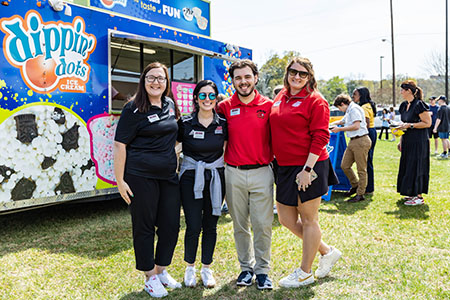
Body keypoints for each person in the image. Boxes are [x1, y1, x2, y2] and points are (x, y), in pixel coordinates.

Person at [270, 57, 341, 288]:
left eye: (303, 74)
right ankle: (327, 251)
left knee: (309, 219)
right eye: (293, 72)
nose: (297, 77)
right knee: (286, 219)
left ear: (310, 76)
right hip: (284, 167)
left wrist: (307, 169)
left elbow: (321, 136)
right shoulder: (281, 96)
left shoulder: (316, 101)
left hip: (309, 166)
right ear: (287, 73)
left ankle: (305, 272)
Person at [113, 62, 182, 298]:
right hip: (140, 177)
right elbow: (120, 144)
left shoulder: (170, 105)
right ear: (143, 81)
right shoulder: (133, 108)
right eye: (151, 78)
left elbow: (175, 135)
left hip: (168, 177)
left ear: (167, 82)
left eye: (161, 78)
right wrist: (120, 180)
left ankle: (162, 270)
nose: (156, 82)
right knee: (144, 226)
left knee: (171, 225)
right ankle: (150, 277)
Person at [217, 59, 274, 290]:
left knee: (262, 224)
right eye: (238, 78)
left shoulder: (269, 106)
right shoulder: (224, 107)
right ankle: (245, 268)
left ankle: (262, 271)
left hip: (262, 172)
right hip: (233, 172)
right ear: (233, 81)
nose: (243, 82)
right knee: (240, 225)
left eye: (247, 77)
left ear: (256, 78)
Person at [177, 80, 227, 288]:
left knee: (211, 225)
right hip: (190, 178)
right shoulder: (185, 123)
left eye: (211, 95)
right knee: (193, 225)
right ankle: (190, 267)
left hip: (216, 177)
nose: (207, 99)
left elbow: (228, 148)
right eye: (203, 95)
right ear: (196, 98)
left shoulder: (223, 123)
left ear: (216, 98)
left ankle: (206, 268)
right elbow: (173, 147)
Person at [331, 94, 372, 202]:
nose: (340, 110)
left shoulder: (354, 110)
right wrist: (328, 125)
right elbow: (341, 121)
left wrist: (340, 130)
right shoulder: (349, 110)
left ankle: (360, 193)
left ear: (343, 104)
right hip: (353, 141)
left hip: (361, 140)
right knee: (345, 165)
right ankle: (355, 185)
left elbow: (356, 126)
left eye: (339, 108)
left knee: (361, 169)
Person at [397, 80, 431, 206]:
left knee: (417, 166)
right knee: (408, 166)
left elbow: (427, 123)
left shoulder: (419, 105)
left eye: (402, 90)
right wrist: (401, 139)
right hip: (407, 140)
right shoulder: (404, 105)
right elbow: (404, 125)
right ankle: (411, 193)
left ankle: (419, 196)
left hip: (419, 141)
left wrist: (410, 125)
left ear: (409, 91)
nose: (400, 92)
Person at [353, 87, 376, 194]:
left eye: (355, 94)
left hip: (368, 133)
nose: (353, 96)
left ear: (361, 95)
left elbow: (366, 123)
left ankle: (368, 187)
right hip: (372, 131)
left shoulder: (363, 107)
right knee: (368, 160)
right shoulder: (369, 105)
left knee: (366, 161)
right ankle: (369, 186)